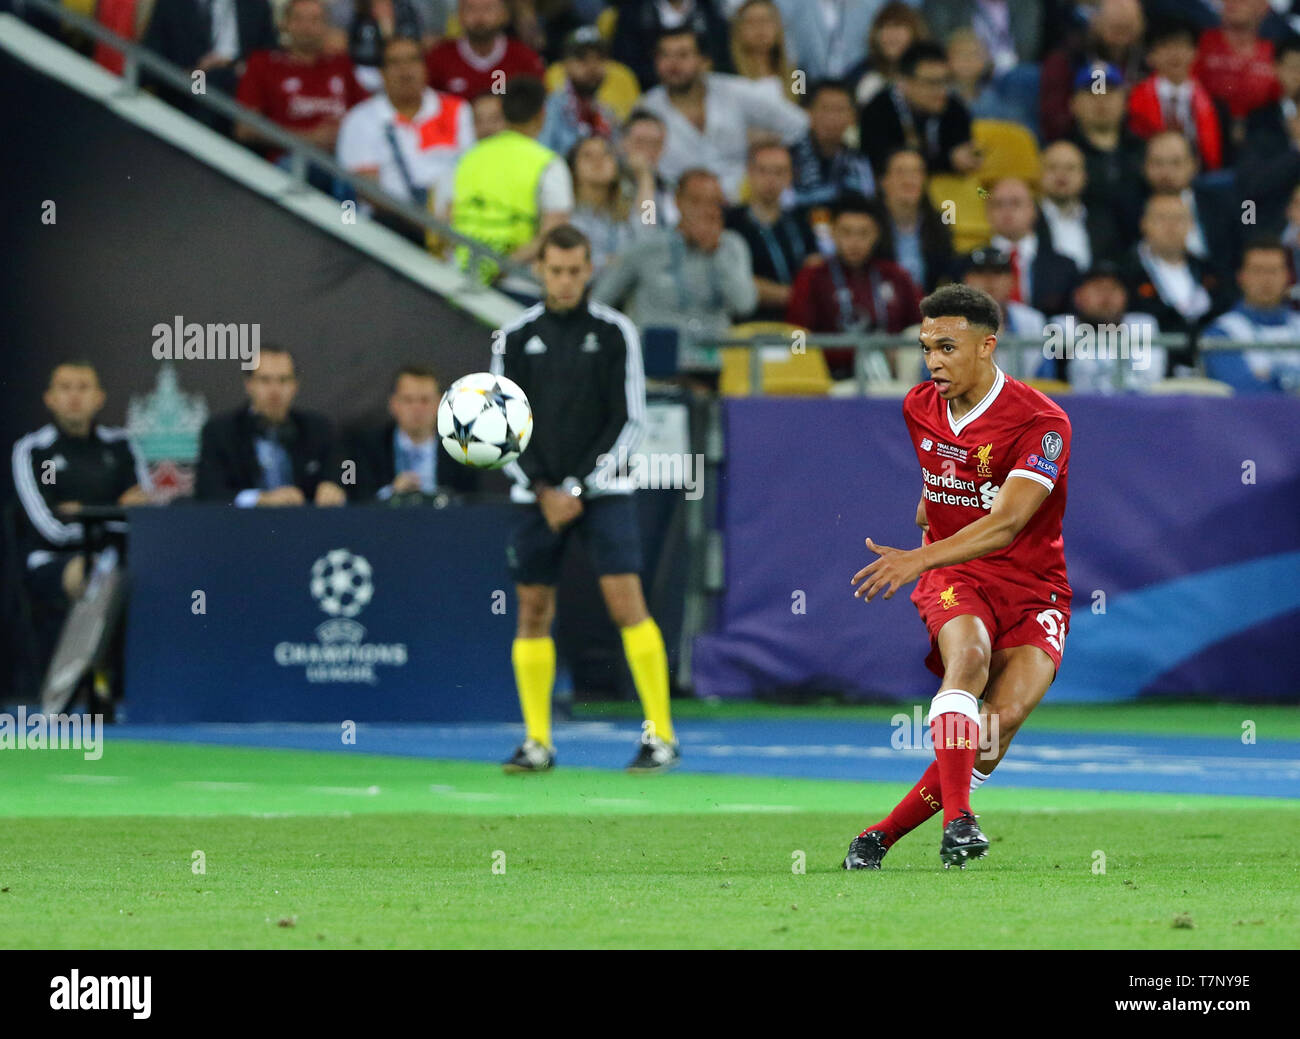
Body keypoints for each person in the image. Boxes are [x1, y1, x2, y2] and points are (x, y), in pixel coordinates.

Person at [843, 283, 1073, 871]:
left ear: (987, 345)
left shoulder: (1043, 423)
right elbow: (938, 488)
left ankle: (878, 838)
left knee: (991, 739)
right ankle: (959, 823)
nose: (933, 361)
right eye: (926, 348)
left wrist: (913, 556)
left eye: (947, 346)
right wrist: (931, 532)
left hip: (1033, 587)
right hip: (956, 573)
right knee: (966, 659)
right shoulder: (918, 405)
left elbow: (1006, 523)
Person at [491, 223, 680, 774]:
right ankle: (537, 743)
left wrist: (577, 486)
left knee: (627, 603)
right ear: (540, 271)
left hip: (603, 492)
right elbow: (503, 423)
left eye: (575, 271)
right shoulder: (515, 337)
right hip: (536, 495)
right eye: (556, 271)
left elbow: (630, 420)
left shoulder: (617, 331)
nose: (566, 280)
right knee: (532, 610)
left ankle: (660, 737)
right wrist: (544, 487)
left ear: (589, 269)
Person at [11, 363, 152, 689]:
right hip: (53, 561)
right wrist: (114, 513)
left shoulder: (121, 446)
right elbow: (50, 528)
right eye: (65, 387)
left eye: (83, 387)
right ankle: (83, 685)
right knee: (92, 573)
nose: (75, 396)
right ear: (49, 398)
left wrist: (85, 513)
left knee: (146, 573)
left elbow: (143, 514)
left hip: (118, 556)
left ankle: (146, 686)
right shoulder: (36, 452)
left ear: (99, 397)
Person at [592, 168, 757, 372]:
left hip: (716, 364)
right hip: (656, 366)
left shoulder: (732, 246)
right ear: (678, 202)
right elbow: (598, 303)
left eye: (713, 202)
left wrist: (716, 254)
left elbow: (745, 304)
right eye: (696, 201)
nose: (705, 210)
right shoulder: (647, 247)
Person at [637, 25, 809, 203]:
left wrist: (766, 142)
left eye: (683, 55)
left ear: (705, 61)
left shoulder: (734, 91)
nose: (673, 64)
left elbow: (798, 122)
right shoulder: (646, 109)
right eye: (664, 55)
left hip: (742, 202)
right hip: (679, 207)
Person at [335, 35, 474, 239]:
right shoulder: (360, 119)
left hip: (453, 222)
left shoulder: (458, 110)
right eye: (395, 63)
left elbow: (470, 171)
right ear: (382, 73)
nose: (405, 70)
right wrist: (424, 223)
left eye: (412, 60)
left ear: (425, 67)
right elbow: (369, 191)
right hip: (390, 226)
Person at [447, 75, 572, 282]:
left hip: (460, 274)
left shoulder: (467, 158)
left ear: (503, 112)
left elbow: (447, 217)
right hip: (516, 282)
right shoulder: (549, 164)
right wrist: (500, 267)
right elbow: (554, 232)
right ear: (542, 115)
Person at [785, 193, 923, 378]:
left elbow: (923, 324)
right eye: (847, 232)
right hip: (833, 381)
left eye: (863, 233)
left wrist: (896, 352)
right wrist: (855, 353)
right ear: (832, 232)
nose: (855, 242)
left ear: (876, 234)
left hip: (891, 378)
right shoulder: (812, 277)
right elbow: (796, 338)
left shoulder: (896, 276)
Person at [195, 346, 347, 506]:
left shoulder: (318, 429)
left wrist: (334, 487)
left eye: (283, 380)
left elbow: (345, 475)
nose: (275, 391)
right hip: (240, 526)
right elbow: (208, 490)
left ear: (295, 385)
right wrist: (259, 499)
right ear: (249, 385)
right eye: (265, 380)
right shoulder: (221, 432)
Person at [235, 0, 368, 175]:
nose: (306, 27)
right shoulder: (262, 63)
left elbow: (369, 114)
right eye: (299, 19)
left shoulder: (341, 64)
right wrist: (308, 138)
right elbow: (244, 129)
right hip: (290, 160)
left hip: (343, 157)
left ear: (326, 26)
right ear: (285, 24)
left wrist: (343, 133)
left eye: (314, 20)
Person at [1118, 193, 1227, 371]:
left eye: (1179, 219)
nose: (1171, 226)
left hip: (1206, 369)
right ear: (1144, 224)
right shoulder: (1125, 272)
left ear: (1191, 225)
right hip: (1149, 371)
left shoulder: (1210, 271)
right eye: (1161, 218)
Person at [342, 365, 479, 501]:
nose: (417, 408)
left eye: (425, 400)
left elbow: (473, 504)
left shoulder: (462, 452)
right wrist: (392, 494)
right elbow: (358, 501)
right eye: (408, 400)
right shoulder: (368, 449)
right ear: (394, 404)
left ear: (439, 404)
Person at [141, 0, 278, 126]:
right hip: (192, 82)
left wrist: (239, 67)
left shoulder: (256, 5)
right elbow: (147, 66)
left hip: (241, 85)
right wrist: (194, 71)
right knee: (209, 81)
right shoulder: (173, 4)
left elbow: (271, 59)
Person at [858, 41, 979, 178]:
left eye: (946, 81)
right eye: (931, 83)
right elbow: (884, 166)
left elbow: (964, 149)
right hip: (895, 192)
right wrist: (948, 162)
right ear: (903, 82)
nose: (941, 91)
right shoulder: (878, 111)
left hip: (947, 192)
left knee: (985, 193)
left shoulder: (954, 108)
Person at [724, 141, 816, 322]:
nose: (771, 180)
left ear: (790, 176)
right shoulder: (730, 221)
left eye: (779, 172)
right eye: (763, 171)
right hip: (747, 326)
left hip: (797, 324)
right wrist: (797, 296)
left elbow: (814, 265)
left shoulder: (800, 220)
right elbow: (735, 282)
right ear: (749, 173)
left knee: (803, 349)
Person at [1126, 19, 1227, 172]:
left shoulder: (1215, 104)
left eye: (1181, 45)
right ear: (1150, 56)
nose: (1175, 54)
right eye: (1166, 46)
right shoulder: (1132, 102)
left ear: (1195, 53)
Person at [1047, 260, 1162, 393]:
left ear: (1125, 296)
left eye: (1114, 288)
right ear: (1078, 296)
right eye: (1098, 288)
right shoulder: (1061, 326)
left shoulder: (1142, 324)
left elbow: (1151, 379)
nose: (1107, 296)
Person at [1202, 239, 1300, 393]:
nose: (1266, 279)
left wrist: (1273, 376)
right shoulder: (1222, 331)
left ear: (1287, 277)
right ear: (1241, 277)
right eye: (1258, 270)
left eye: (1274, 270)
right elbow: (1241, 392)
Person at [1039, 0, 1145, 142]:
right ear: (1095, 22)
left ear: (1141, 26)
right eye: (1115, 27)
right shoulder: (1070, 57)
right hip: (1077, 141)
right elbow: (1055, 118)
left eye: (1127, 28)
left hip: (1132, 143)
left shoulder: (1147, 61)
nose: (1121, 37)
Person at [1138, 130, 1239, 279]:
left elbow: (1250, 212)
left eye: (1176, 163)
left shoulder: (1223, 203)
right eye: (1157, 163)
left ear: (1194, 165)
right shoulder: (1131, 208)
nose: (1166, 172)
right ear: (1144, 167)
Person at [985, 177, 1079, 319]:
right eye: (998, 204)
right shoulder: (968, 265)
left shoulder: (1064, 267)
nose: (1007, 210)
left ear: (1034, 210)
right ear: (988, 213)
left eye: (1016, 203)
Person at [1238, 37, 1300, 237]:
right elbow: (1252, 184)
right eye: (1293, 68)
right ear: (1276, 68)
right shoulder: (1260, 120)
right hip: (1274, 226)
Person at [1193, 0, 1283, 135]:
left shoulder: (1275, 52)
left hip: (1262, 134)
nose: (1233, 3)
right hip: (1205, 129)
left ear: (1264, 6)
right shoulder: (1201, 44)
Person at [1066, 63, 1144, 218]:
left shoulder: (1143, 151)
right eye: (1092, 93)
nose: (1101, 101)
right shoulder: (1064, 154)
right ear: (1073, 104)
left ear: (1125, 102)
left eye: (1109, 92)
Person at [424, 0, 545, 99]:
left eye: (488, 8)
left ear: (504, 14)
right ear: (459, 15)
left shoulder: (524, 57)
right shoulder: (438, 58)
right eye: (470, 9)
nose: (479, 17)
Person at [1036, 140, 1122, 276]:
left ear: (1084, 176)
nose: (1061, 175)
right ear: (1039, 174)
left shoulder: (1103, 223)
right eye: (1052, 167)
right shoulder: (1029, 220)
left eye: (1070, 168)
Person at [788, 79, 878, 210]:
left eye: (840, 110)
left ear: (853, 117)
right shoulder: (789, 155)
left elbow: (864, 206)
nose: (832, 117)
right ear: (808, 112)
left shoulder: (859, 161)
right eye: (826, 109)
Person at [877, 147, 956, 293]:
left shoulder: (939, 225)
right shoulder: (870, 224)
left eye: (916, 172)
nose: (909, 180)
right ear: (883, 181)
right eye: (900, 172)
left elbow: (946, 275)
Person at [611, 0, 732, 91]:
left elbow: (722, 56)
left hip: (706, 88)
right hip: (647, 90)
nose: (675, 62)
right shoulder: (633, 11)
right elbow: (624, 62)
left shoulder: (710, 9)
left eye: (682, 55)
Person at [539, 25, 619, 157]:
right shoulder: (549, 110)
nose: (592, 66)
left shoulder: (607, 114)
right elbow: (543, 160)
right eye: (582, 58)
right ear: (565, 64)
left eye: (600, 58)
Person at [568, 135, 637, 277]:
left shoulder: (627, 207)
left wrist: (646, 179)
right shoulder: (565, 212)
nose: (598, 160)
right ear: (573, 168)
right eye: (588, 155)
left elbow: (650, 229)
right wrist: (614, 263)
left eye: (606, 154)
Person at [770, 0, 876, 85]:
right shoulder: (791, 5)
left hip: (856, 80)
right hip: (804, 77)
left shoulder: (868, 5)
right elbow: (790, 54)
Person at [846, 0, 930, 108]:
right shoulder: (860, 74)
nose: (891, 35)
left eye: (898, 26)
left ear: (914, 32)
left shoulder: (931, 70)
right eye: (884, 27)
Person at [618, 109, 679, 230]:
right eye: (640, 142)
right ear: (623, 143)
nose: (647, 151)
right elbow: (646, 225)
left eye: (655, 144)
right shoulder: (610, 184)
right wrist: (644, 177)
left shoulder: (668, 188)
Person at [729, 0, 796, 103]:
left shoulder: (798, 74)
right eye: (751, 22)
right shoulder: (729, 74)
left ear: (778, 27)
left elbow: (803, 108)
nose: (760, 28)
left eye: (766, 21)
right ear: (738, 29)